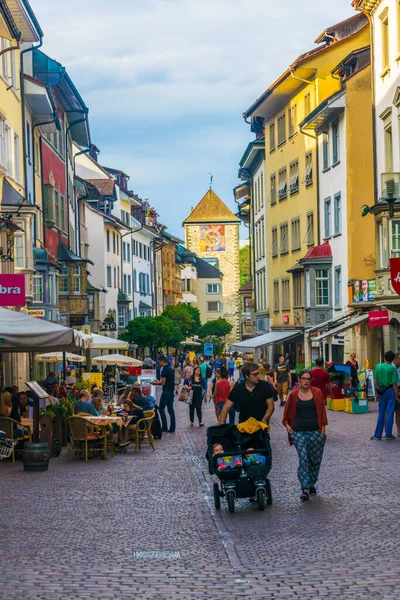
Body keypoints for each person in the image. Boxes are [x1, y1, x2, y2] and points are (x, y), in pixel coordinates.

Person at [282, 369, 328, 501]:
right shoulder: (293, 395)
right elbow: (287, 413)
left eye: (308, 379)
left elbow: (322, 412)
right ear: (299, 380)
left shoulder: (317, 393)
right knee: (303, 458)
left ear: (310, 380)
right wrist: (287, 425)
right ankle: (305, 488)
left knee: (314, 460)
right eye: (303, 378)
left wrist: (322, 431)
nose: (306, 381)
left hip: (315, 431)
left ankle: (311, 482)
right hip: (298, 431)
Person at [371, 350, 399, 441]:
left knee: (381, 412)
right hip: (390, 391)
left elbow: (376, 381)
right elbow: (394, 384)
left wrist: (378, 392)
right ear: (392, 359)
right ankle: (388, 434)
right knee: (390, 413)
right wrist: (396, 396)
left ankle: (377, 435)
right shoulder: (393, 369)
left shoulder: (378, 366)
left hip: (382, 391)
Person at [153, 355, 175, 433]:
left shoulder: (164, 370)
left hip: (166, 392)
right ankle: (172, 428)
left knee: (161, 409)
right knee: (170, 410)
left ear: (162, 361)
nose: (159, 363)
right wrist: (157, 381)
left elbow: (163, 382)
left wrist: (154, 383)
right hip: (171, 392)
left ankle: (164, 427)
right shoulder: (170, 369)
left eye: (159, 362)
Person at [392, 352, 400, 438]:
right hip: (392, 390)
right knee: (394, 412)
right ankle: (389, 431)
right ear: (396, 359)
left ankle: (399, 430)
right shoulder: (391, 368)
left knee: (399, 412)